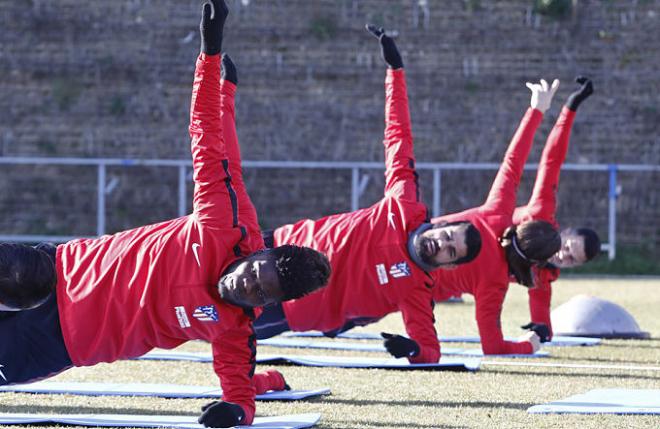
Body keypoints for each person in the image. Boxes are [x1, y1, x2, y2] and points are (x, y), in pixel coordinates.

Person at [0, 2, 331, 428]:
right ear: (258, 252)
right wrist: (210, 57)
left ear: (264, 305)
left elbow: (240, 389)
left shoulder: (235, 329)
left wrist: (236, 411)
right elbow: (209, 138)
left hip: (62, 341)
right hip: (62, 271)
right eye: (255, 272)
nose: (246, 284)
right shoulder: (223, 222)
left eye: (258, 292)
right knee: (18, 274)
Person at [255, 25, 482, 364]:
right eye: (447, 236)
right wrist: (396, 72)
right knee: (197, 272)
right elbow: (398, 137)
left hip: (291, 306)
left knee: (209, 324)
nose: (442, 244)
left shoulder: (416, 289)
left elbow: (430, 350)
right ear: (441, 223)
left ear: (448, 265)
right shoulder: (404, 202)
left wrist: (413, 349)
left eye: (450, 251)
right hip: (282, 245)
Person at [429, 79, 564, 355]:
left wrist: (536, 110)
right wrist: (530, 345)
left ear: (523, 223)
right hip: (405, 290)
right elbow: (492, 347)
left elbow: (513, 162)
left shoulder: (498, 211)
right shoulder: (496, 283)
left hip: (404, 238)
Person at [512, 77, 601, 343]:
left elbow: (541, 314)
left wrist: (541, 331)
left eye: (572, 259)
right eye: (568, 247)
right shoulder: (541, 212)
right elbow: (551, 159)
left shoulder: (543, 273)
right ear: (564, 230)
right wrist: (571, 105)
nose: (564, 256)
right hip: (462, 239)